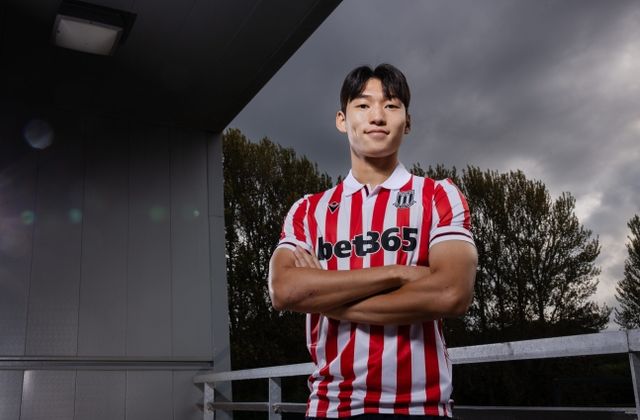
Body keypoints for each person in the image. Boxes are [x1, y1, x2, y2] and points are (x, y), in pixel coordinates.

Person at [268, 63, 477, 419]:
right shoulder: (308, 210)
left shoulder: (439, 196)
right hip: (331, 406)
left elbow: (451, 293)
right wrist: (399, 273)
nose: (377, 116)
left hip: (421, 407)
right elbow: (284, 290)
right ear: (342, 119)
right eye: (363, 105)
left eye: (391, 105)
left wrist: (327, 300)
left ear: (407, 122)